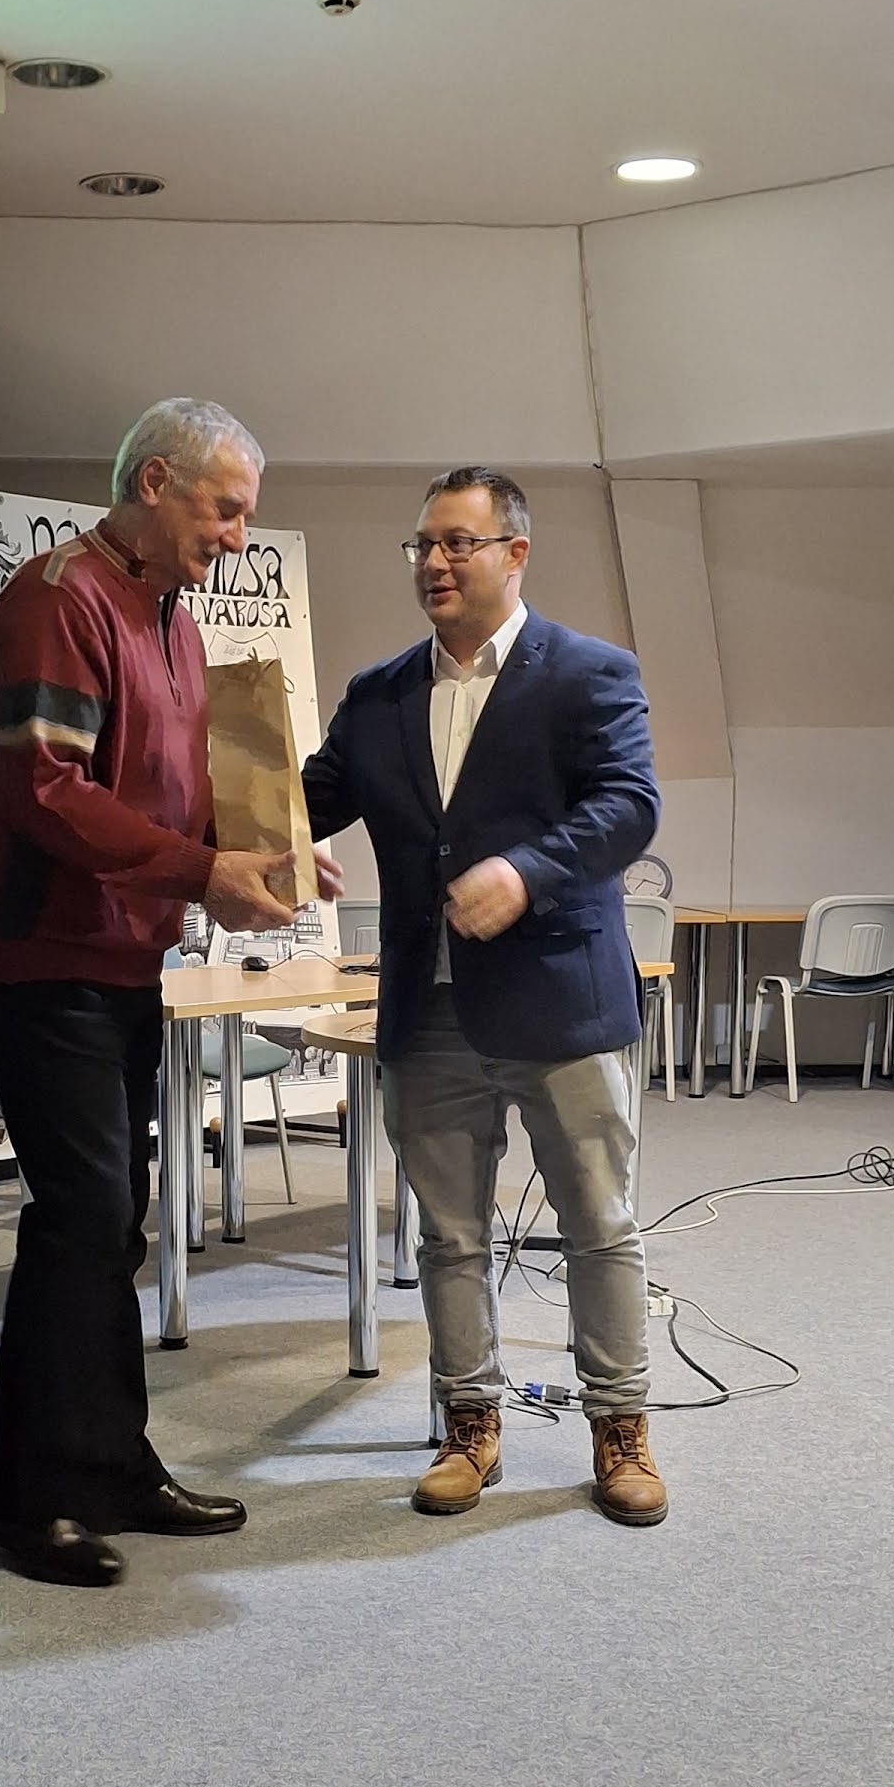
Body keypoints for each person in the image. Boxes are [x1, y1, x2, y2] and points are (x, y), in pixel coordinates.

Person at [0, 399, 302, 1585]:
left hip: (120, 959)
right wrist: (203, 872)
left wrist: (255, 860)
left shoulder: (175, 622)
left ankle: (108, 1466)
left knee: (116, 1217)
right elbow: (45, 794)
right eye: (226, 511)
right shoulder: (54, 600)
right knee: (83, 1214)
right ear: (155, 483)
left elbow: (171, 794)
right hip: (40, 957)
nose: (238, 538)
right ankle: (27, 1502)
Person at [302, 467, 668, 1524]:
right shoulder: (378, 695)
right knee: (447, 1236)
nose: (434, 562)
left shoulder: (589, 673)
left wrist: (527, 870)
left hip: (561, 1004)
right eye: (422, 544)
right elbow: (305, 800)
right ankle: (470, 1425)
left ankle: (620, 1428)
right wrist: (253, 835)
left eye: (457, 543)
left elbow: (629, 807)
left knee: (598, 1225)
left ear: (515, 554)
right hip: (429, 1011)